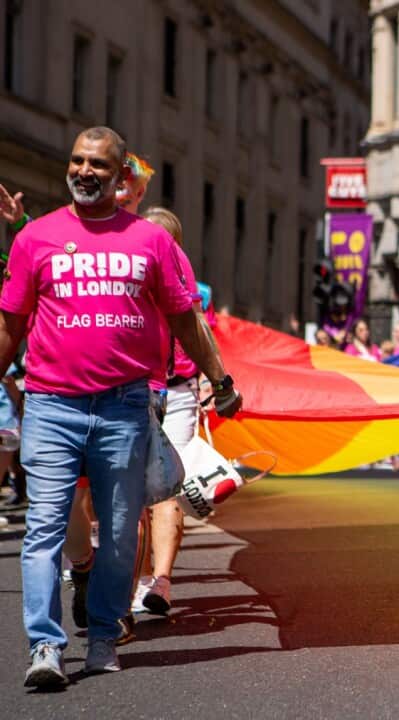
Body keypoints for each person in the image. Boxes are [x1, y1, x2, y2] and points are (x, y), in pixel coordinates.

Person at [1, 127, 242, 687]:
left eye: (99, 165)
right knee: (45, 526)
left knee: (116, 533)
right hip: (50, 405)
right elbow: (10, 325)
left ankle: (105, 633)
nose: (85, 171)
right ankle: (44, 645)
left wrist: (220, 378)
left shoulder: (150, 241)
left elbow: (186, 319)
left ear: (119, 177)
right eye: (78, 161)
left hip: (125, 408)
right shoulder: (35, 238)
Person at [130, 206, 217, 619]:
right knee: (143, 491)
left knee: (162, 488)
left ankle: (156, 581)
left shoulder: (192, 289)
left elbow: (201, 335)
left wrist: (212, 381)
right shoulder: (126, 284)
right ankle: (146, 579)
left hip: (175, 392)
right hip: (138, 390)